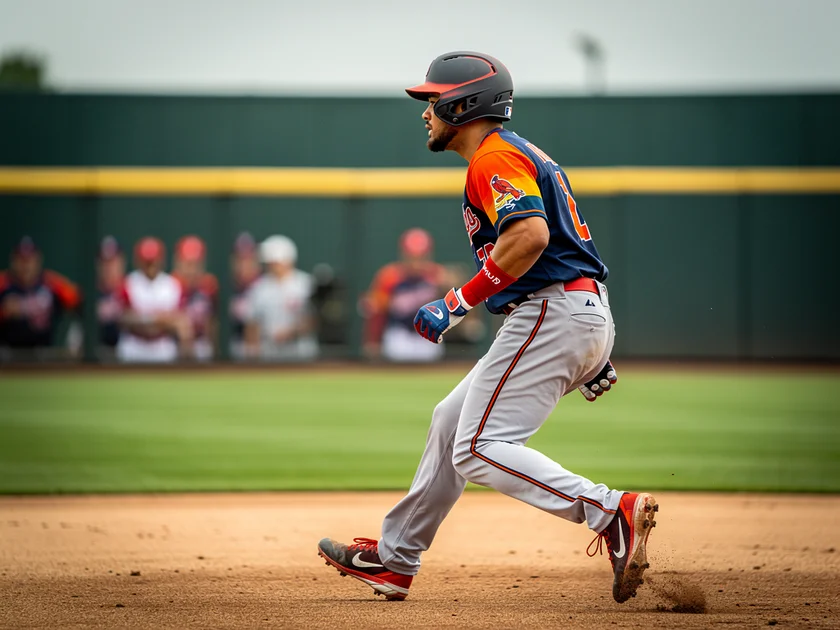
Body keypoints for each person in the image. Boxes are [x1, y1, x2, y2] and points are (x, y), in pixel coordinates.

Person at [317, 51, 656, 604]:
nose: (425, 112)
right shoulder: (514, 154)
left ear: (463, 102)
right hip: (569, 311)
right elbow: (561, 250)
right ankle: (396, 559)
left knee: (476, 446)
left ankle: (608, 512)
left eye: (433, 101)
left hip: (554, 312)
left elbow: (530, 238)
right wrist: (589, 353)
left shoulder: (492, 159)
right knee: (451, 420)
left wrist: (456, 302)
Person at [362, 228, 451, 362]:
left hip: (429, 337)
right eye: (412, 257)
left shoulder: (439, 277)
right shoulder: (389, 277)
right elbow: (376, 312)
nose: (416, 263)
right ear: (403, 254)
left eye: (421, 257)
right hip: (399, 336)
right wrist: (373, 341)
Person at [116, 237, 192, 363]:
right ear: (138, 261)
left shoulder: (173, 284)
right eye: (147, 262)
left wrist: (142, 317)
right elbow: (124, 318)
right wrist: (159, 318)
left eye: (153, 261)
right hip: (134, 346)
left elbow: (180, 321)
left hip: (162, 346)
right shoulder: (129, 283)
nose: (151, 266)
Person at [0, 236, 81, 353]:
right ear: (13, 261)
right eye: (21, 260)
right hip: (5, 354)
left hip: (43, 354)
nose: (26, 266)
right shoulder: (3, 283)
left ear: (38, 260)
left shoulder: (51, 283)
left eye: (30, 260)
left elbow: (80, 300)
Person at [243, 235, 317, 361]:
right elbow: (252, 324)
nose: (272, 265)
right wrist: (252, 353)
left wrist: (291, 332)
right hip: (269, 353)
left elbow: (314, 320)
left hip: (301, 352)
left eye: (275, 262)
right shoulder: (259, 288)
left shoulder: (306, 284)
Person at [172, 235, 218, 361]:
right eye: (188, 264)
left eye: (195, 264)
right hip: (173, 345)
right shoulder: (170, 286)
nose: (192, 270)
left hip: (201, 344)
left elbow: (212, 321)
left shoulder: (209, 285)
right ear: (178, 262)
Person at [229, 232, 261, 359]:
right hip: (230, 349)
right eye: (240, 259)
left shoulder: (264, 286)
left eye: (249, 258)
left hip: (264, 350)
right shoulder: (222, 286)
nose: (245, 264)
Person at [96, 236, 125, 350]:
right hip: (97, 358)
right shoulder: (89, 295)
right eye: (104, 262)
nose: (108, 267)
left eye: (113, 262)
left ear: (122, 262)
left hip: (128, 358)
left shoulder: (132, 290)